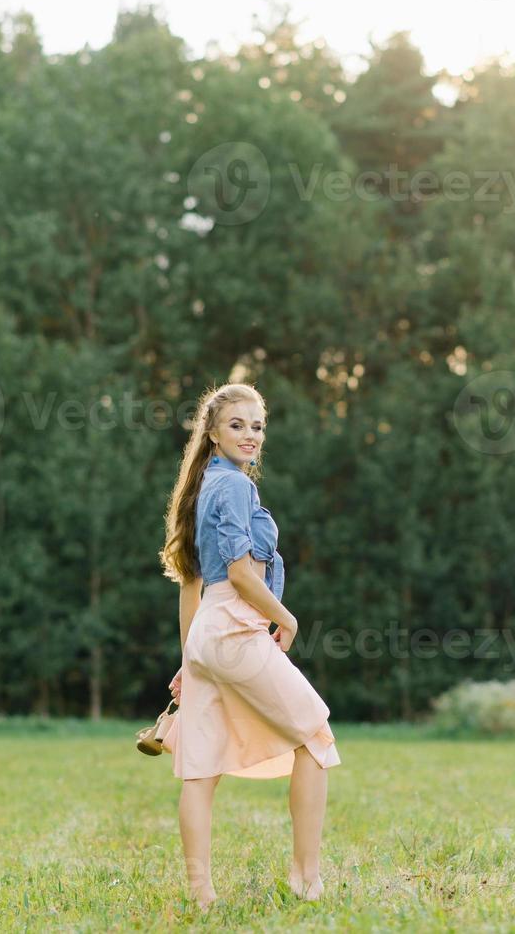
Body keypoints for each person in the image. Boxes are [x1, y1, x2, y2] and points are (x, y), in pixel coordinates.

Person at [157, 381, 340, 909]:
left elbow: (193, 588)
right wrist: (285, 618)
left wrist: (189, 660)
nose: (250, 435)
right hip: (235, 628)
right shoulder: (234, 487)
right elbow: (239, 572)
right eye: (237, 425)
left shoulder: (201, 489)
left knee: (201, 768)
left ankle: (201, 896)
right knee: (315, 737)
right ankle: (306, 880)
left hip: (208, 635)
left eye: (257, 426)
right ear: (212, 433)